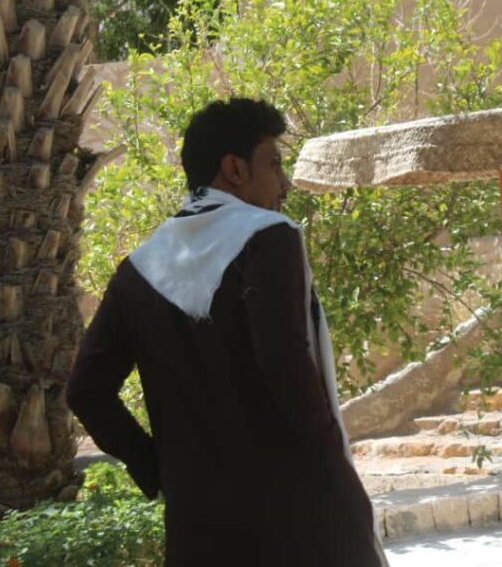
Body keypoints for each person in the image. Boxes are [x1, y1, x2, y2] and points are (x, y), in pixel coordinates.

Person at [67, 98, 387, 566]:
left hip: (199, 531)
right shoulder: (268, 236)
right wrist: (332, 467)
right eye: (274, 164)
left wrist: (158, 468)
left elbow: (86, 391)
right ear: (235, 169)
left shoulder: (137, 269)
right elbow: (284, 363)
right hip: (298, 522)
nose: (285, 184)